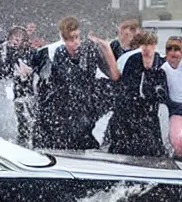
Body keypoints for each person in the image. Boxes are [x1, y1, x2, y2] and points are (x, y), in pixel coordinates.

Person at [30, 16, 119, 150]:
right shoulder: (50, 53)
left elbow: (114, 76)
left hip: (80, 121)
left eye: (77, 37)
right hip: (55, 123)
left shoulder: (90, 52)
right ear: (62, 37)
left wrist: (106, 48)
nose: (75, 43)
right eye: (70, 39)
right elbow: (39, 87)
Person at [107, 32, 167, 157]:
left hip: (149, 109)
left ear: (154, 45)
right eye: (144, 44)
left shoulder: (160, 63)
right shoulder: (133, 60)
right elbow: (126, 85)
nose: (146, 48)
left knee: (150, 139)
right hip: (132, 106)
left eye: (149, 44)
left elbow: (161, 87)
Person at [0, 26, 36, 145]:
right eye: (14, 39)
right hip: (3, 94)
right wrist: (10, 72)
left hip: (22, 95)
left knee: (23, 121)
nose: (16, 43)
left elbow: (34, 70)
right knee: (6, 121)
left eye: (20, 40)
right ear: (9, 38)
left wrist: (29, 71)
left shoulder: (29, 52)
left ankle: (22, 142)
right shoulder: (0, 51)